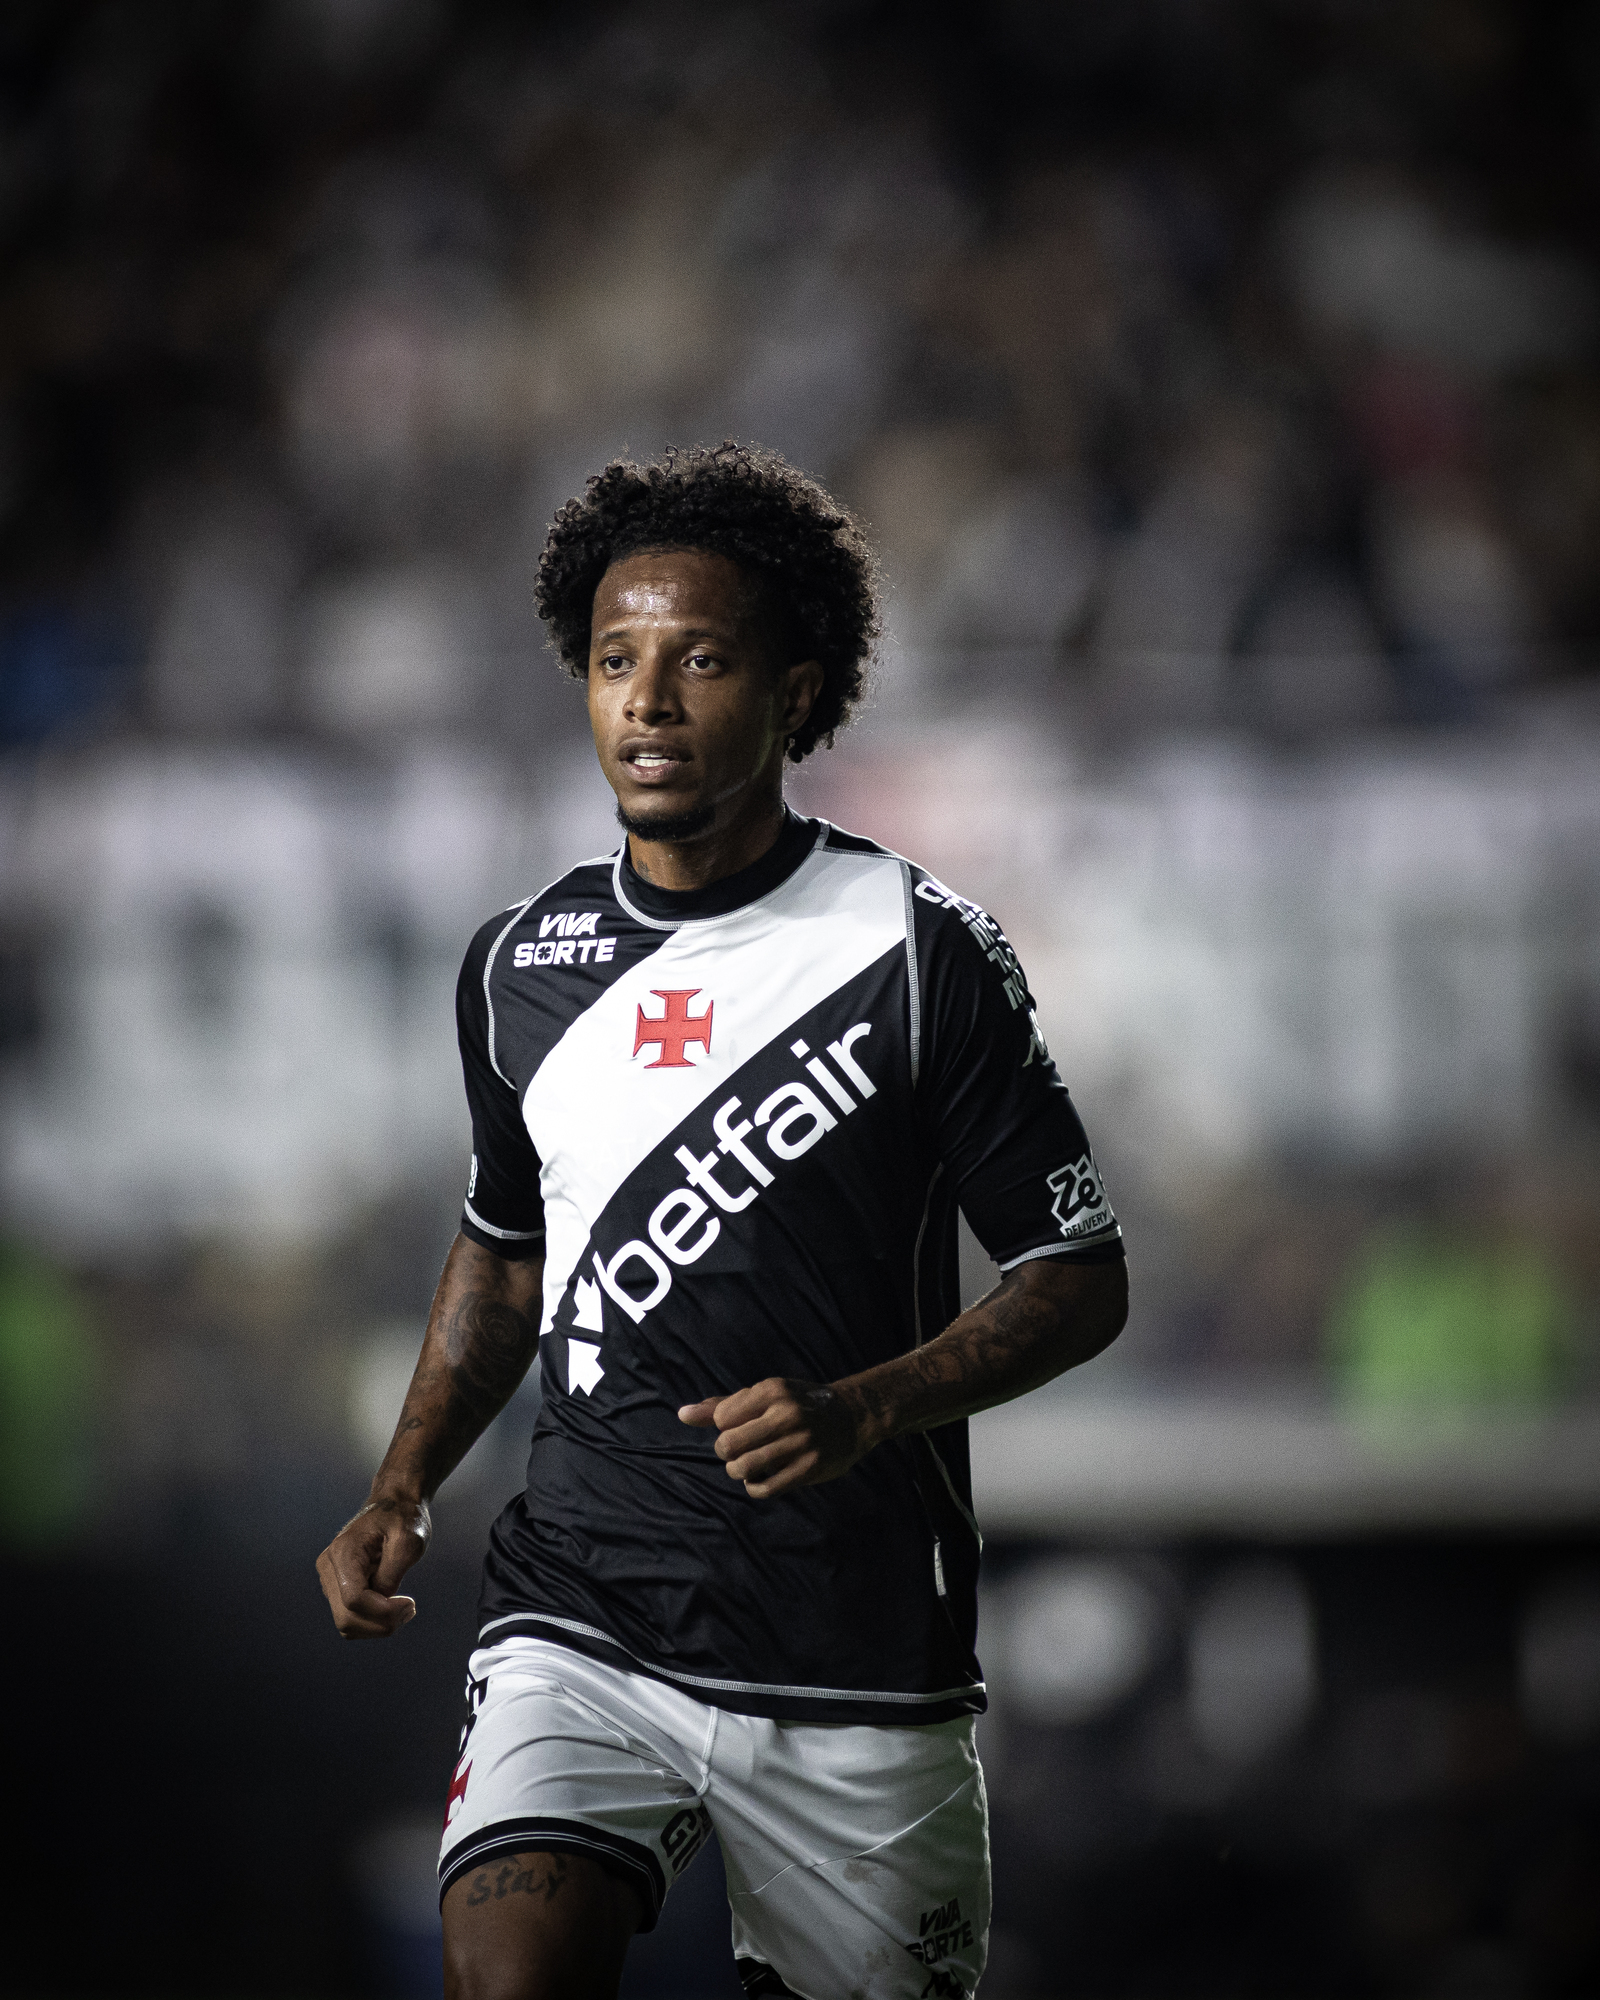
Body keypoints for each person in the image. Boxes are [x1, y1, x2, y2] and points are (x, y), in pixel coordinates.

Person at [316, 443, 1128, 2000]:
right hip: (582, 1612)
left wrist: (863, 1409)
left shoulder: (917, 952)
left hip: (854, 1655)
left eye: (702, 661)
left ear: (795, 691)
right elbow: (503, 1253)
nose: (650, 703)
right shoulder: (518, 963)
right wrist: (403, 1482)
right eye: (615, 661)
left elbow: (1078, 1278)